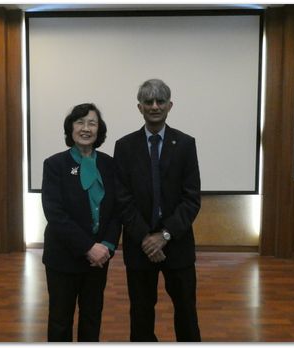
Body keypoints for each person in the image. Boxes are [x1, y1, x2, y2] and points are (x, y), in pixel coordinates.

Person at [114, 79, 201, 342]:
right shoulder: (124, 146)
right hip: (139, 246)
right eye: (148, 101)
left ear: (169, 106)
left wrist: (163, 236)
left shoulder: (185, 144)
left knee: (186, 312)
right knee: (140, 313)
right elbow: (122, 200)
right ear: (139, 107)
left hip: (178, 243)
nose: (154, 106)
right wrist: (146, 238)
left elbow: (191, 199)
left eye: (160, 101)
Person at [41, 103, 121, 342]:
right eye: (80, 122)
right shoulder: (55, 165)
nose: (86, 128)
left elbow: (117, 210)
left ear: (99, 130)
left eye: (92, 123)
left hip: (99, 258)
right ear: (71, 128)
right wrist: (89, 247)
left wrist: (106, 244)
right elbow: (55, 214)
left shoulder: (110, 164)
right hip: (64, 257)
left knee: (92, 317)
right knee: (60, 320)